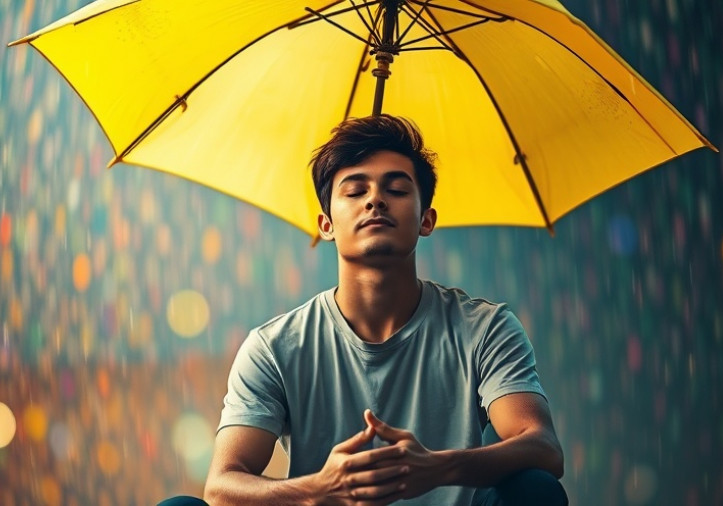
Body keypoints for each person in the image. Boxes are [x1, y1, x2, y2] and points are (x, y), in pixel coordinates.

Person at [199, 115, 567, 506]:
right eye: (355, 190)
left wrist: (436, 468)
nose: (375, 199)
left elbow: (542, 446)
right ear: (326, 224)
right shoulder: (274, 346)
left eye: (396, 188)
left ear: (426, 220)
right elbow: (222, 488)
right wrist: (319, 489)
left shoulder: (484, 328)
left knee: (535, 491)